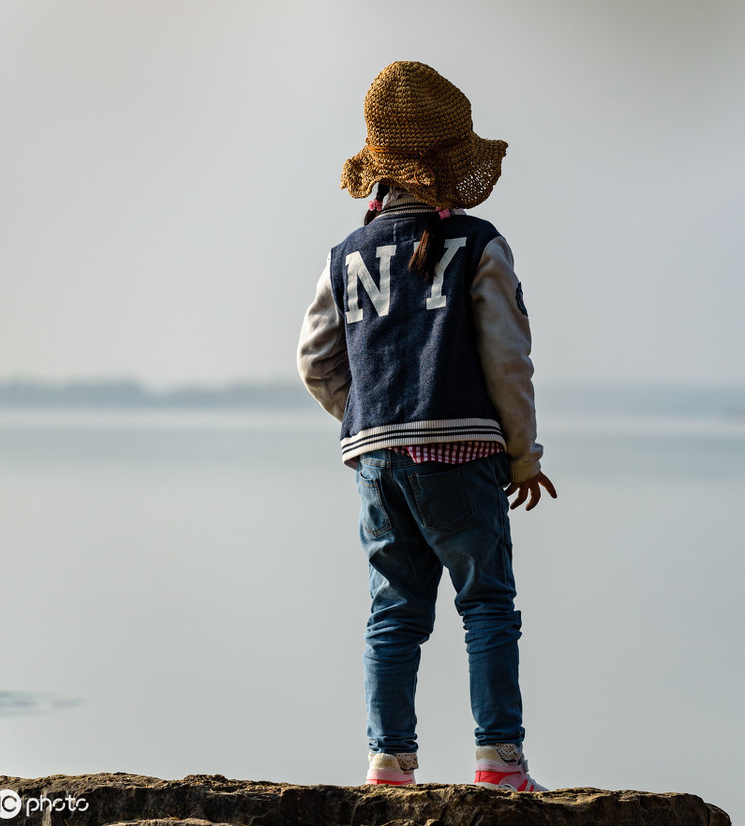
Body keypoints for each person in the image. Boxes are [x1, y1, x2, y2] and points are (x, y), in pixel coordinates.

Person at [296, 61, 555, 791]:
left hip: (378, 459)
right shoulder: (478, 244)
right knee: (487, 604)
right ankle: (500, 762)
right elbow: (508, 358)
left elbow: (314, 360)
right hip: (463, 449)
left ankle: (389, 762)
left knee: (394, 611)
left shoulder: (344, 255)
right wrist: (523, 454)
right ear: (450, 163)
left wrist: (366, 416)